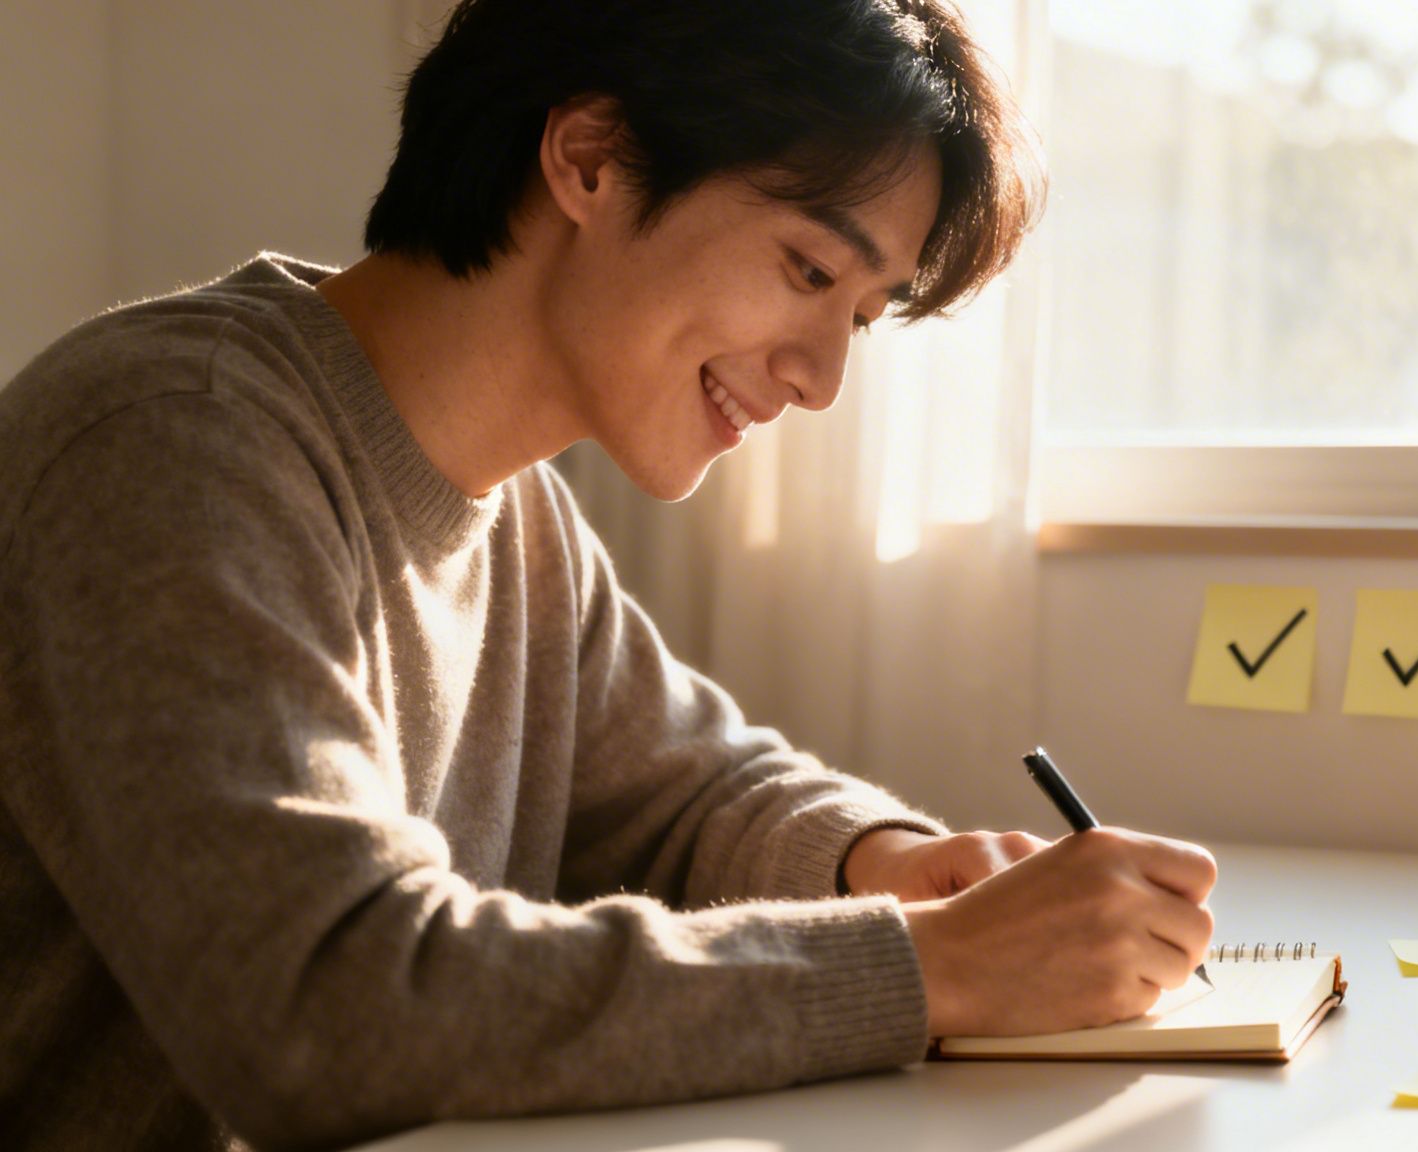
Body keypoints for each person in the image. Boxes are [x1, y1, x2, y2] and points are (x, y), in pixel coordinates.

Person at [0, 2, 1217, 1149]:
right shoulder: (174, 440)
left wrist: (888, 863)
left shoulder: (516, 515)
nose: (818, 378)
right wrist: (933, 967)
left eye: (859, 314)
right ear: (591, 159)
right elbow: (325, 1002)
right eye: (806, 271)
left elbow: (691, 795)